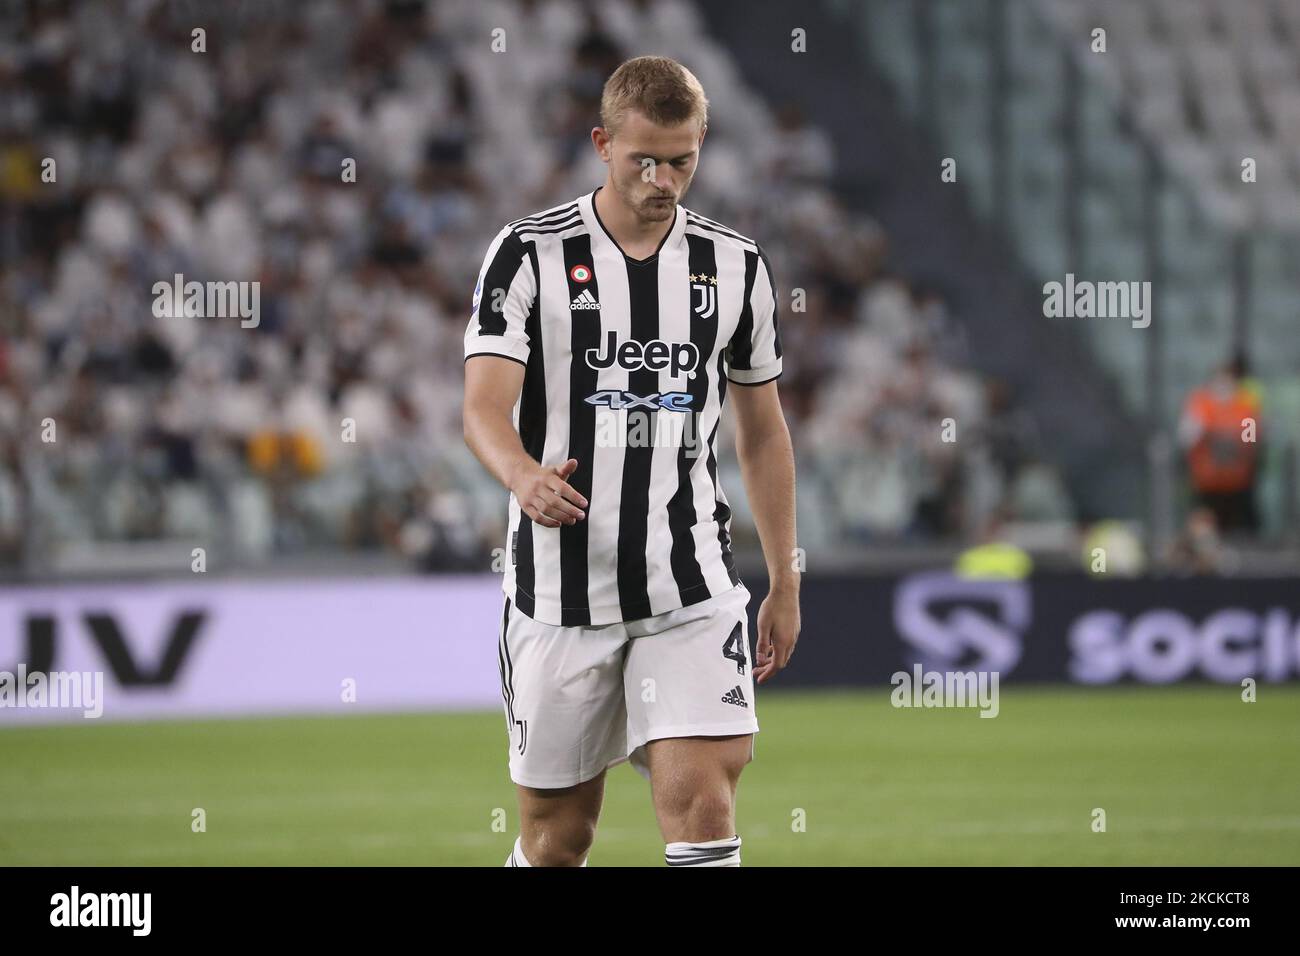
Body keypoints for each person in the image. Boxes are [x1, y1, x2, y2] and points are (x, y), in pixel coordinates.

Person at [462, 56, 800, 867]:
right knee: (557, 840)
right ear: (602, 144)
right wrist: (522, 475)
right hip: (559, 593)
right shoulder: (527, 254)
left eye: (681, 159)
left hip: (689, 586)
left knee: (703, 808)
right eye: (642, 158)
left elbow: (762, 433)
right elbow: (482, 408)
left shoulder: (734, 266)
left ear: (702, 146)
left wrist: (785, 578)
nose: (662, 178)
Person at [1178, 353, 1262, 534]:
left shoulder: (1245, 406)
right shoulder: (1200, 404)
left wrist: (1231, 440)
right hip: (1207, 486)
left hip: (1238, 486)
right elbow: (1187, 437)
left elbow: (1252, 443)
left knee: (1242, 533)